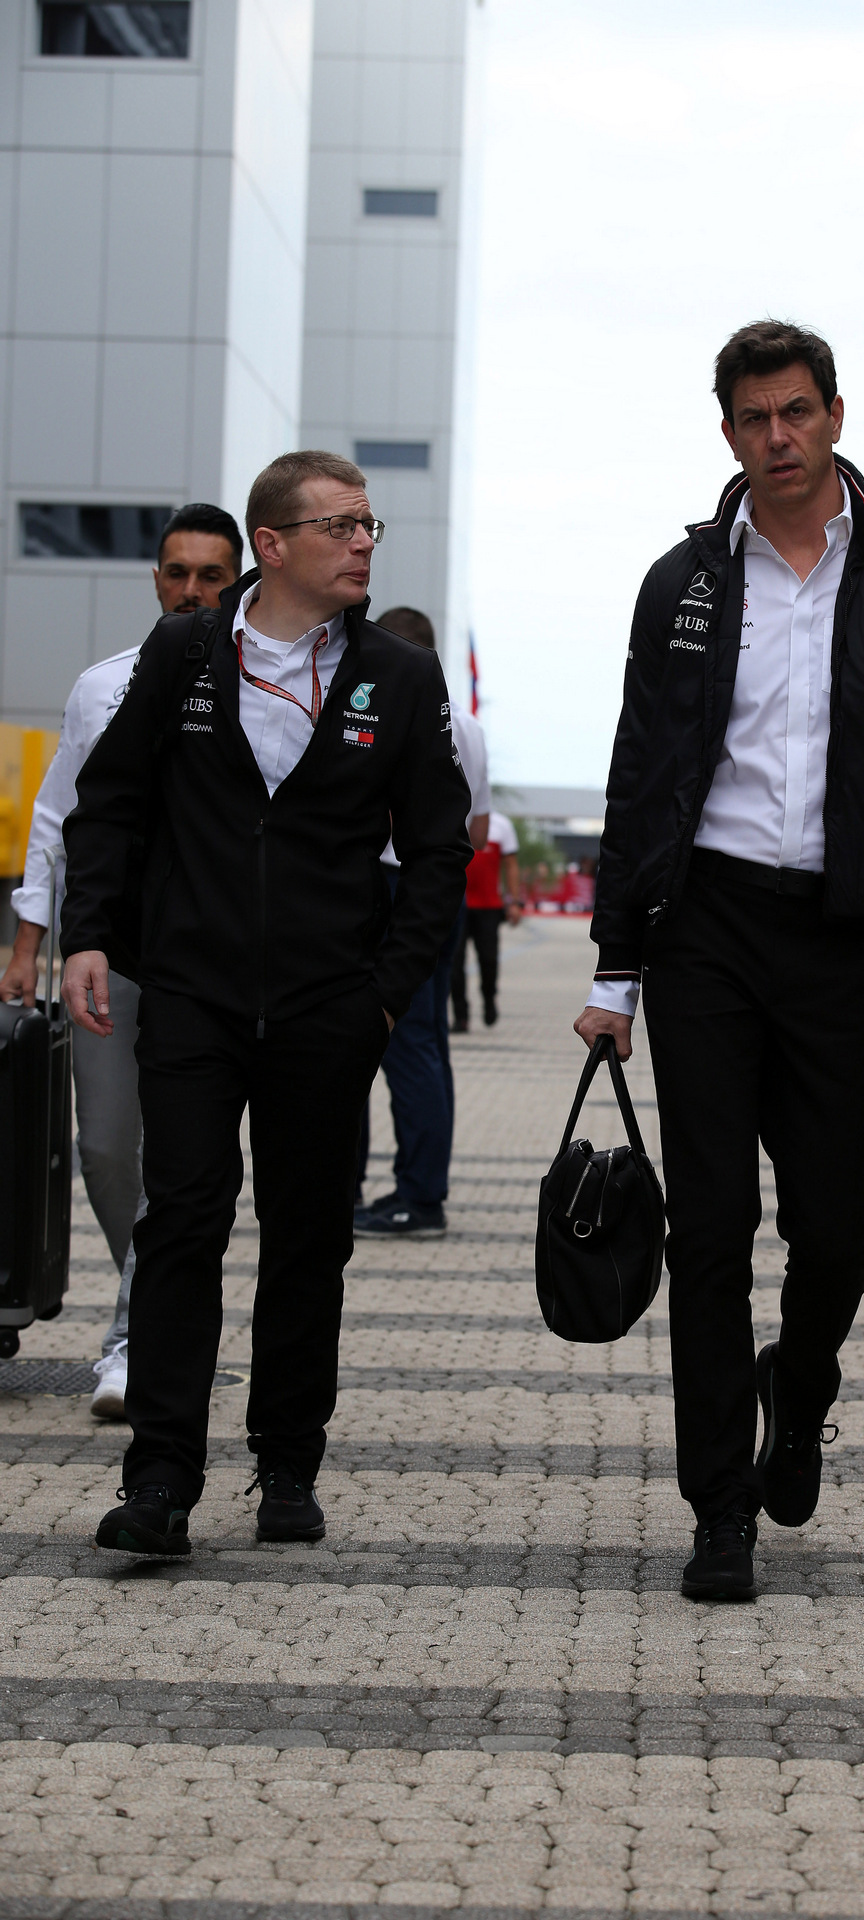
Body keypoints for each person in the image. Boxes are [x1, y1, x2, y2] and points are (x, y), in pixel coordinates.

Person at [574, 321, 864, 1602]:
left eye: (797, 412)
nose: (778, 438)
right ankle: (718, 1512)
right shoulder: (687, 581)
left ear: (835, 415)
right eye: (754, 418)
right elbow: (642, 770)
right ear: (727, 433)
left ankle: (795, 1398)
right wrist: (613, 968)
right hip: (704, 930)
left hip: (834, 939)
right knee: (709, 1229)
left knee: (839, 1231)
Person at [60, 450, 472, 1557]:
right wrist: (89, 933)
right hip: (190, 996)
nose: (365, 543)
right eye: (342, 526)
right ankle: (159, 1480)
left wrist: (384, 996)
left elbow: (440, 851)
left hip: (328, 1008)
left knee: (306, 1241)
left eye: (371, 525)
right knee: (182, 1224)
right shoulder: (187, 650)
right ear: (275, 544)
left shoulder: (397, 673)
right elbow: (109, 805)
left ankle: (288, 1462)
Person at [0, 503, 243, 1419]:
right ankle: (153, 1309)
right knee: (103, 1148)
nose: (190, 590)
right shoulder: (101, 688)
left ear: (236, 581)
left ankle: (136, 1338)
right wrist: (29, 942)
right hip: (106, 954)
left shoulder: (257, 684)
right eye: (176, 572)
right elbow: (57, 820)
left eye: (209, 575)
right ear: (155, 579)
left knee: (183, 1155)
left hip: (207, 963)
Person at [353, 604, 491, 1239]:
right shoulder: (467, 725)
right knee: (428, 1044)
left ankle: (413, 1196)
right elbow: (480, 826)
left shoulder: (377, 704)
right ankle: (422, 1186)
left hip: (390, 885)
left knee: (384, 1041)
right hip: (446, 889)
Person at [451, 809, 521, 1030]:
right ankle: (460, 1016)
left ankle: (489, 999)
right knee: (454, 962)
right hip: (455, 904)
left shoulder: (501, 825)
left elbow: (510, 865)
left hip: (489, 906)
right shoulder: (451, 816)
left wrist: (514, 902)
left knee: (488, 960)